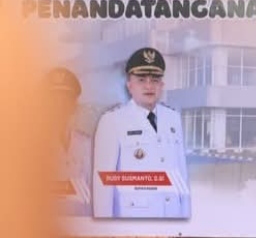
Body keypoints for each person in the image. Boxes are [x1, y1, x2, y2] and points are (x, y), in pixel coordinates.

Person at [92, 47, 190, 218]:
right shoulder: (112, 121)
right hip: (134, 219)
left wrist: (185, 219)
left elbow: (182, 176)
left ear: (162, 85)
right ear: (129, 85)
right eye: (141, 80)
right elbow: (103, 184)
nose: (149, 86)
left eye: (155, 80)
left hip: (172, 218)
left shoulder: (173, 118)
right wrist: (105, 227)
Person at [46, 67, 92, 216]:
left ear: (74, 106)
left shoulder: (88, 145)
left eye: (65, 101)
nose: (60, 108)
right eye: (54, 101)